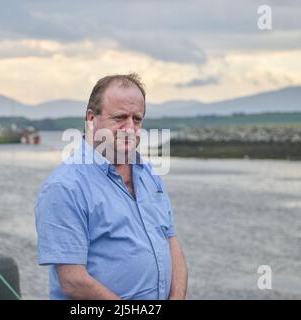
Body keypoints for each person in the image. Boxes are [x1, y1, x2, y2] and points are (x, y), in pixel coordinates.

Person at [35, 73, 188, 299]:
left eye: (136, 119)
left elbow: (171, 242)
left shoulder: (148, 175)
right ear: (91, 118)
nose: (129, 128)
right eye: (119, 118)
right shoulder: (65, 187)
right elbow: (73, 281)